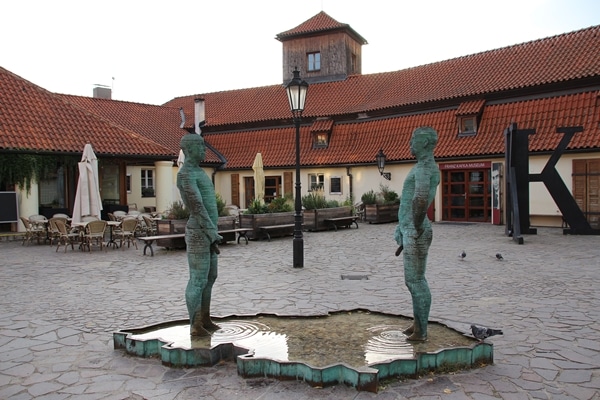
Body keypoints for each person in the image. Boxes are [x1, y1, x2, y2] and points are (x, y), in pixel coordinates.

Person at [394, 126, 440, 342]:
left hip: (416, 230)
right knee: (413, 280)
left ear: (424, 143)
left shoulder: (423, 168)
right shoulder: (425, 166)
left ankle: (421, 330)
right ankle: (418, 323)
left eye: (413, 139)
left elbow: (420, 198)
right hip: (412, 228)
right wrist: (401, 226)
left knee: (416, 281)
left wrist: (415, 225)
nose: (410, 143)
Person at [177, 133, 223, 336]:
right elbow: (196, 206)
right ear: (189, 150)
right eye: (201, 147)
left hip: (208, 231)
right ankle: (195, 325)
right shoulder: (186, 174)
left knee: (211, 276)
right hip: (198, 232)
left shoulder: (200, 171)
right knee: (198, 279)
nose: (204, 150)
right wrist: (211, 231)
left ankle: (205, 317)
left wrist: (213, 231)